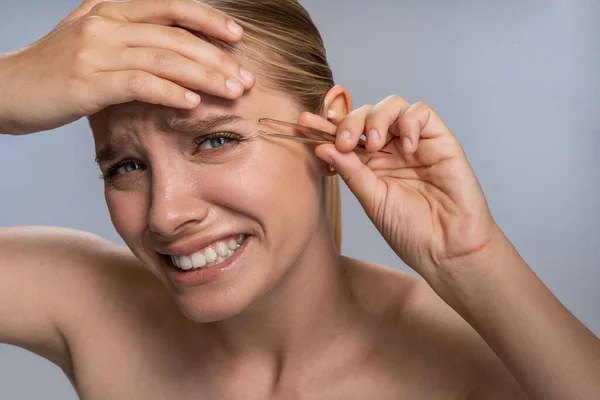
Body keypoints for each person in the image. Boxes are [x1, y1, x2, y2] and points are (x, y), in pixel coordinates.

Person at [0, 0, 598, 399]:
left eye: (215, 139)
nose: (165, 214)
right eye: (126, 165)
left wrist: (474, 261)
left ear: (327, 130)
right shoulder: (87, 302)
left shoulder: (473, 363)